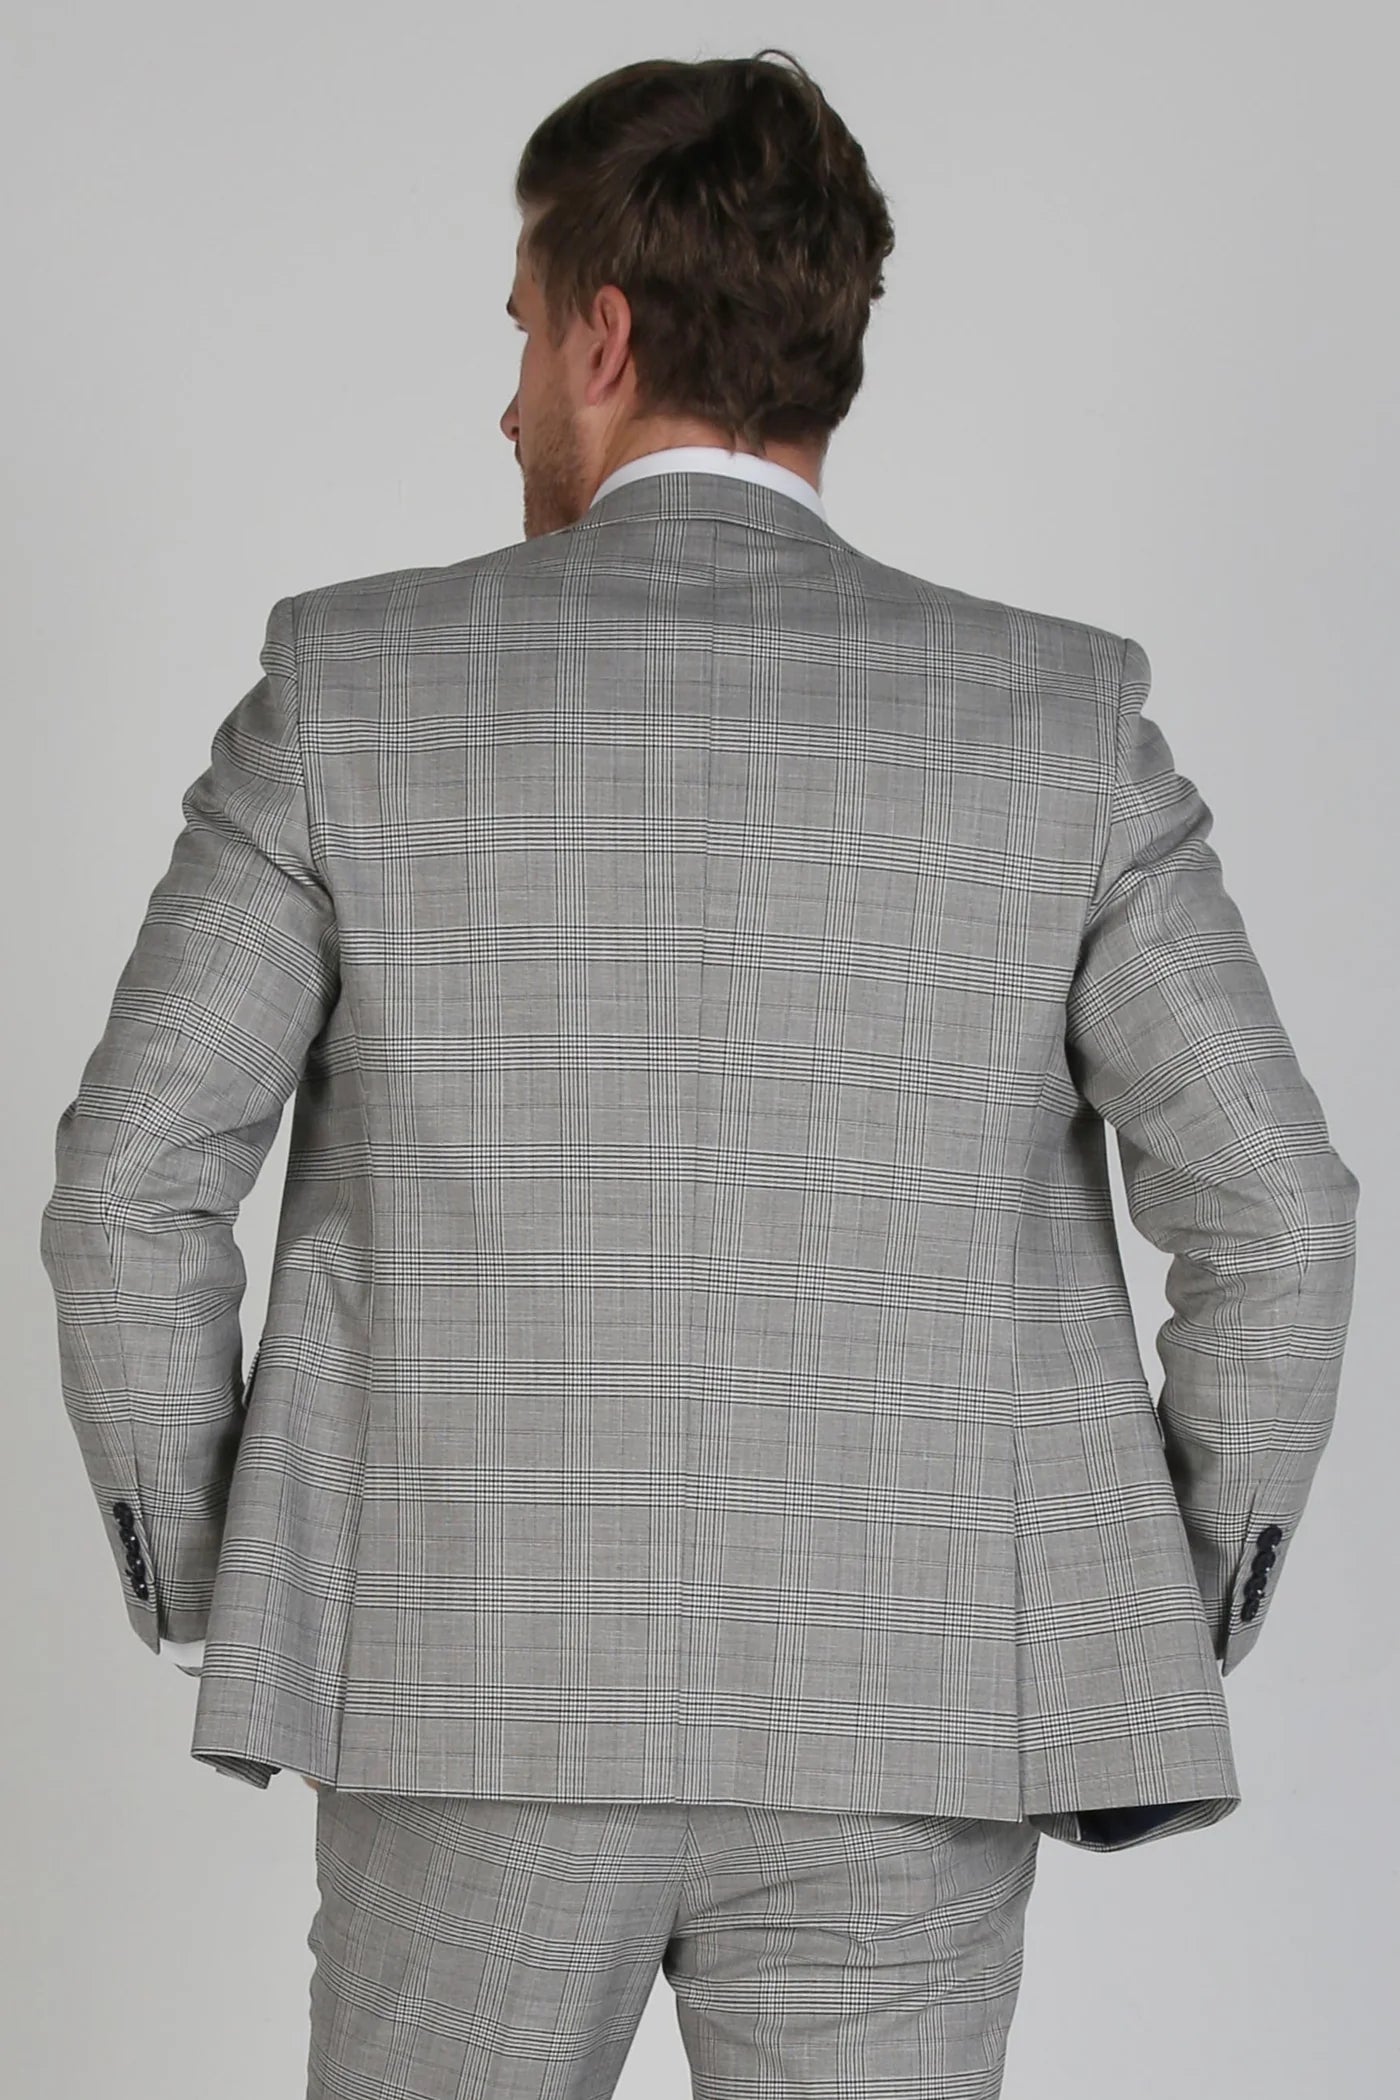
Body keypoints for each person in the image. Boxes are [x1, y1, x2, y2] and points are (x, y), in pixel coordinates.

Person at [39, 48, 1359, 2099]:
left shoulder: (348, 690)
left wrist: (236, 1580)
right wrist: (1125, 1597)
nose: (505, 405)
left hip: (461, 1695)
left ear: (603, 336)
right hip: (912, 1711)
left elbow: (132, 1180)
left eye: (514, 337)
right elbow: (1276, 1211)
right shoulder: (1058, 724)